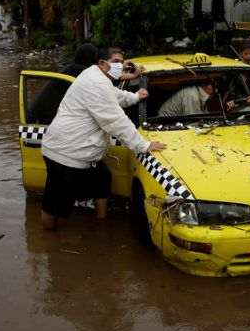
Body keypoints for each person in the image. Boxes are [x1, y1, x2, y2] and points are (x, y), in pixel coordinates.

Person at [40, 47, 166, 229]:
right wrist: (143, 145)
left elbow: (116, 95)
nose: (119, 66)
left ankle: (102, 225)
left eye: (121, 62)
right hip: (65, 155)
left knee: (102, 178)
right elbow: (116, 121)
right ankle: (49, 243)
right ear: (102, 64)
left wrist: (135, 96)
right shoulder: (96, 83)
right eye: (115, 62)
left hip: (81, 153)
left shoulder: (96, 76)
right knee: (55, 205)